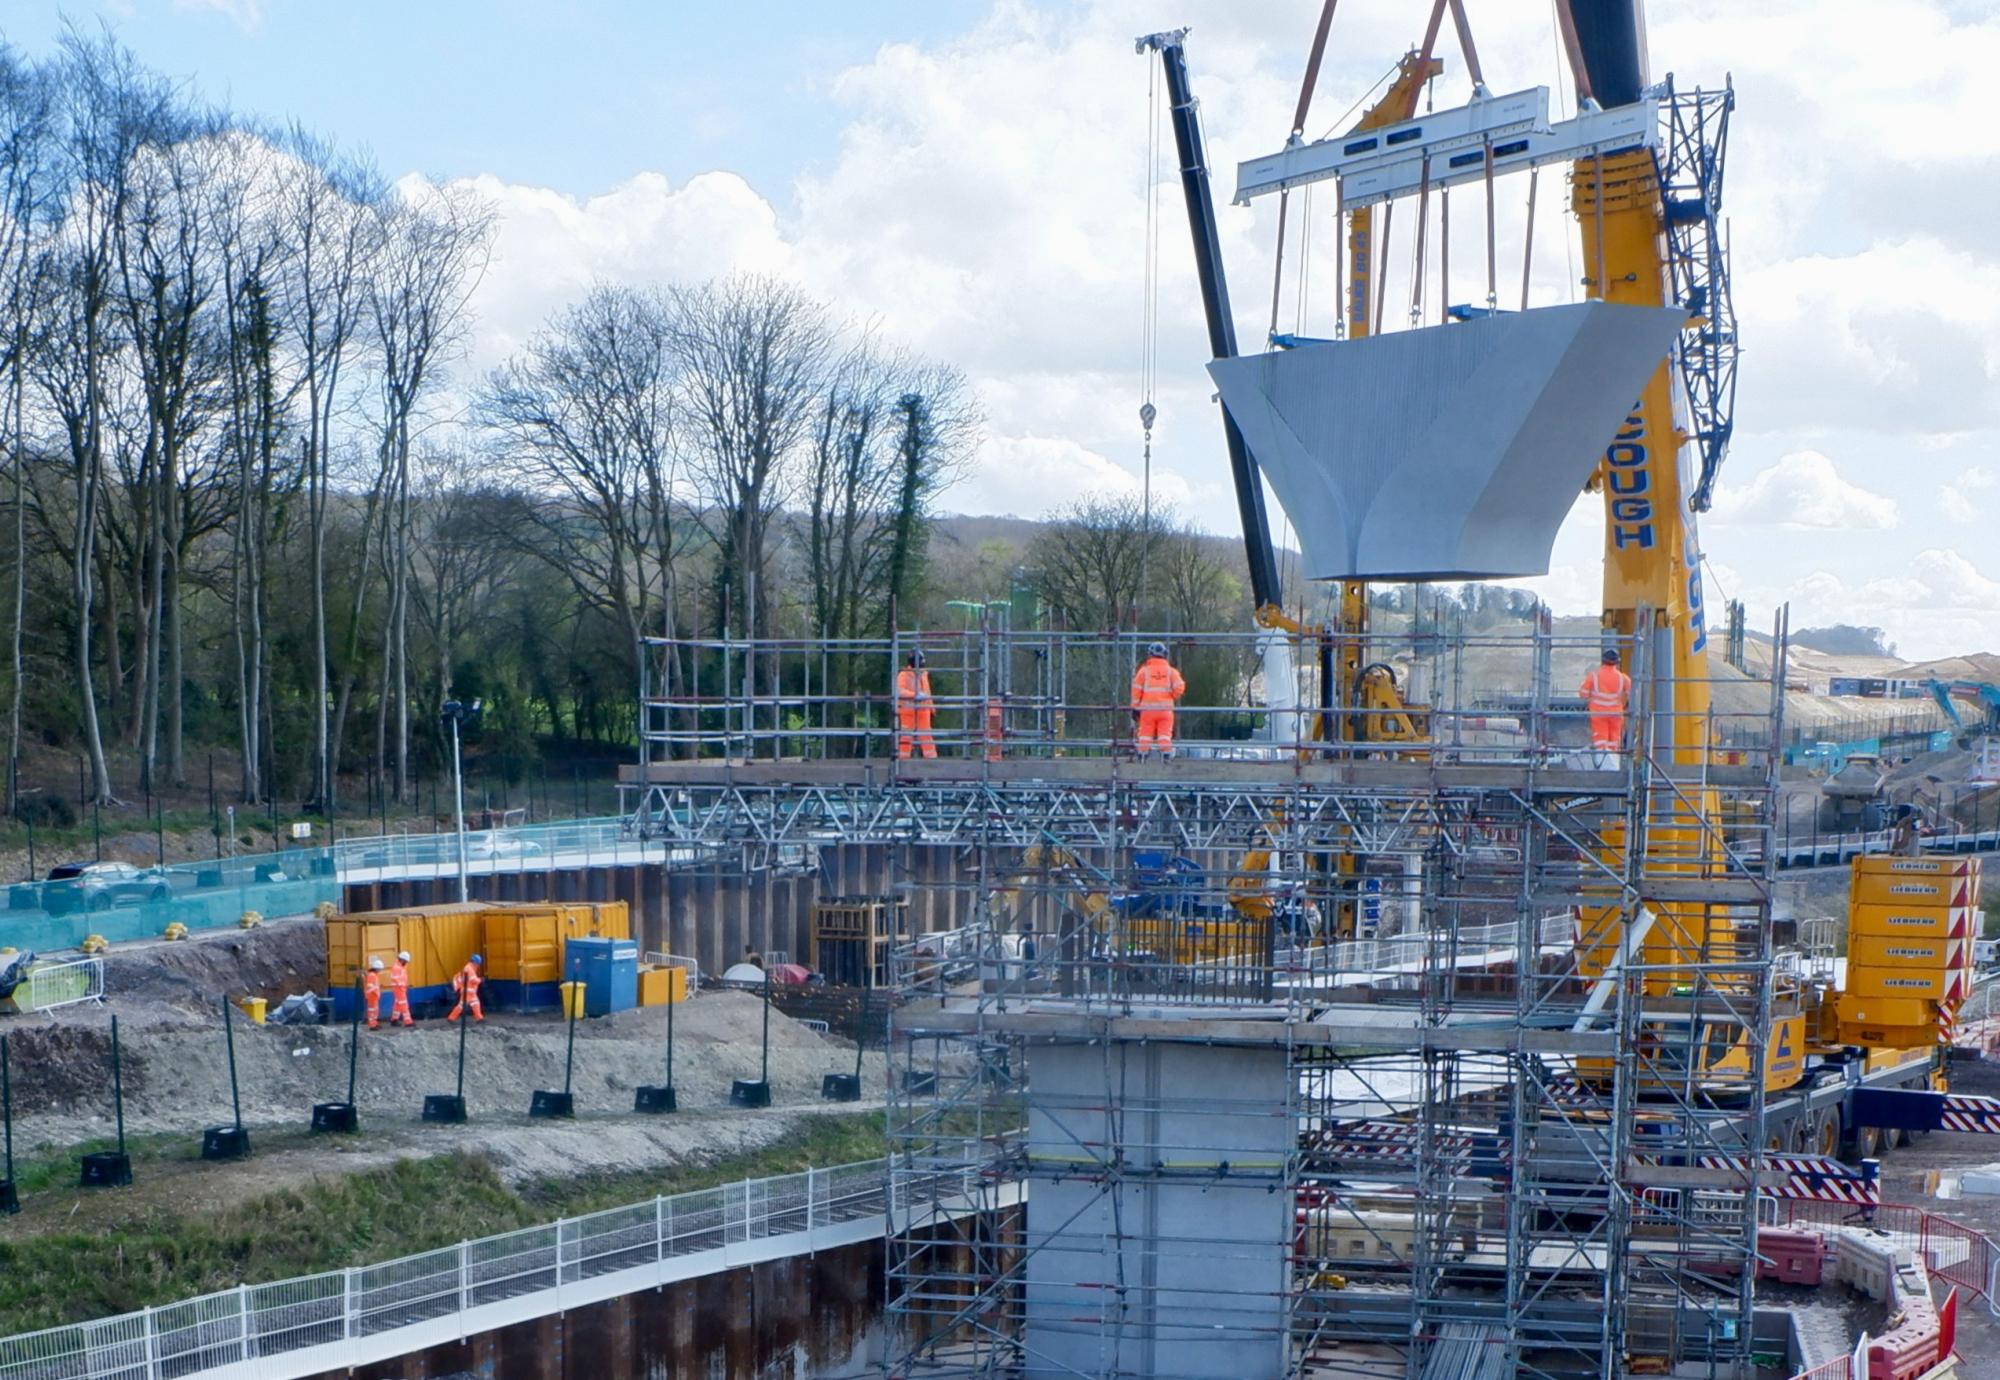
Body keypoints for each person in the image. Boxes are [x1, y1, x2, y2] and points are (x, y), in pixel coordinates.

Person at [1130, 642, 1187, 757]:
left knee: (1145, 734)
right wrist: (1172, 695)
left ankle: (1143, 754)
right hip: (1165, 709)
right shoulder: (1171, 672)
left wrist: (1135, 708)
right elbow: (1180, 687)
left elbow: (1136, 690)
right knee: (1165, 734)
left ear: (1150, 654)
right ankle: (1166, 754)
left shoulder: (1144, 671)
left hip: (1147, 710)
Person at [1580, 647, 1632, 756]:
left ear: (1603, 661)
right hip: (1616, 714)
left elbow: (1583, 694)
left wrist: (1592, 698)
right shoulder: (1623, 678)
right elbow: (1632, 695)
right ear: (1617, 663)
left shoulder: (1593, 676)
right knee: (1614, 740)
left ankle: (1602, 762)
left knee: (1600, 739)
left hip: (1598, 713)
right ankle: (1613, 762)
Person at [895, 650, 937, 760]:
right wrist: (914, 695)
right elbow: (899, 691)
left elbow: (927, 691)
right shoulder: (904, 675)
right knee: (906, 737)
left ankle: (931, 759)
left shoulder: (923, 673)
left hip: (923, 710)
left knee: (926, 736)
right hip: (908, 711)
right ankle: (903, 759)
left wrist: (931, 707)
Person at [447, 953, 485, 1023]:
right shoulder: (469, 969)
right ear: (475, 962)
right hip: (468, 991)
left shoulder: (468, 967)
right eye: (478, 964)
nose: (478, 966)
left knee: (473, 1003)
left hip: (468, 991)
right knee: (465, 1005)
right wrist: (480, 980)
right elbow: (472, 980)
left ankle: (479, 1018)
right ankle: (479, 1018)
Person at [388, 950, 416, 1028]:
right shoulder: (397, 968)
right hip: (399, 988)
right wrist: (404, 985)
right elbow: (397, 980)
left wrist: (405, 985)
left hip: (400, 988)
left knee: (397, 1004)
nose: (406, 963)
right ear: (403, 960)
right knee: (404, 1004)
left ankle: (394, 1019)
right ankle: (408, 1021)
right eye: (406, 961)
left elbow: (400, 979)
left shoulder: (399, 967)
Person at [362, 956, 385, 1031]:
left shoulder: (373, 975)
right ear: (377, 968)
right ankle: (372, 1025)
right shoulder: (372, 975)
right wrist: (376, 989)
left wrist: (378, 986)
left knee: (375, 1011)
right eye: (380, 969)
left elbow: (373, 985)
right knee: (372, 1011)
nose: (380, 970)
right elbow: (370, 987)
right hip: (372, 996)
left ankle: (374, 1023)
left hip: (374, 996)